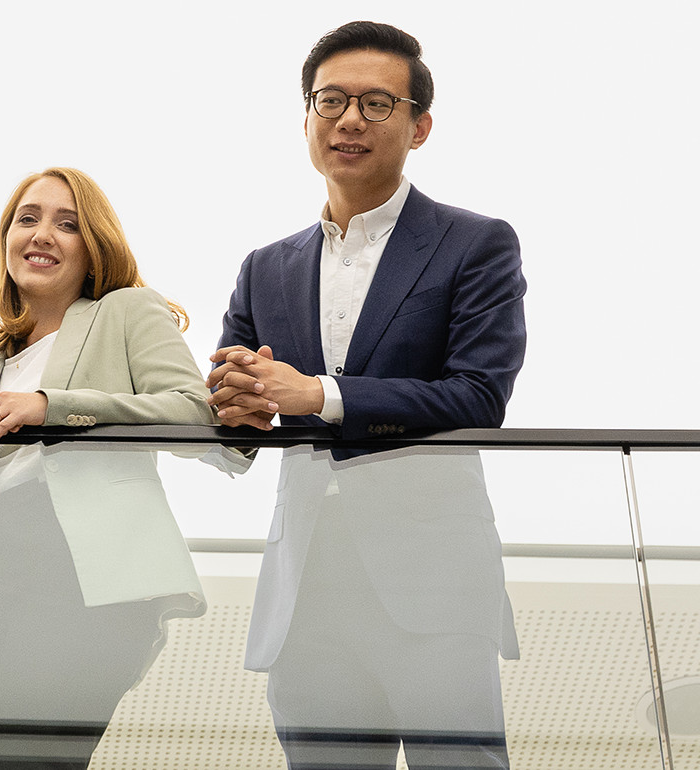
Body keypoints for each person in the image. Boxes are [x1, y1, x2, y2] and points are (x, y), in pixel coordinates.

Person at [211, 21, 527, 769]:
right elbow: (237, 416)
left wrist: (318, 393)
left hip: (434, 589)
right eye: (330, 101)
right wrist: (236, 412)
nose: (349, 119)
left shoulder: (475, 243)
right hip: (305, 591)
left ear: (419, 126)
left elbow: (479, 396)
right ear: (309, 118)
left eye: (377, 103)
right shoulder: (265, 267)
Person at [0, 167, 213, 768]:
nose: (42, 235)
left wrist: (50, 409)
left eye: (67, 223)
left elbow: (194, 415)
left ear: (95, 247)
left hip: (83, 583)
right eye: (26, 219)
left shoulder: (127, 312)